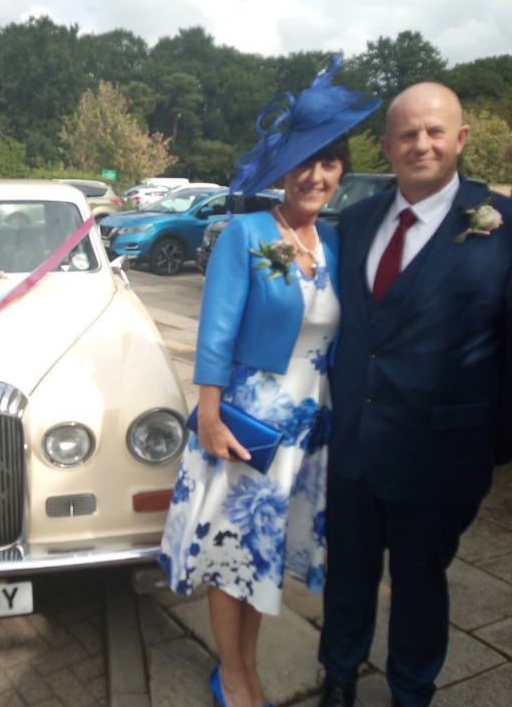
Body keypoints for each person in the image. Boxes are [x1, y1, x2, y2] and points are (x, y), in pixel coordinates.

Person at [318, 82, 512, 707]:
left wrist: (491, 447)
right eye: (406, 133)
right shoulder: (357, 219)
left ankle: (410, 689)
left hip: (442, 456)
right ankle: (339, 676)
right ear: (387, 146)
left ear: (460, 138)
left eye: (433, 131)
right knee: (347, 574)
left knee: (421, 585)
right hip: (352, 448)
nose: (420, 143)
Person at [159, 57, 380, 707]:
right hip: (247, 422)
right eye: (303, 162)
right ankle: (233, 674)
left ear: (340, 172)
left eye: (328, 162)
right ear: (282, 170)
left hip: (311, 424)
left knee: (261, 556)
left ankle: (245, 666)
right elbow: (215, 329)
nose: (315, 175)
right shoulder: (246, 233)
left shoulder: (337, 244)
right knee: (233, 551)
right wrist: (206, 413)